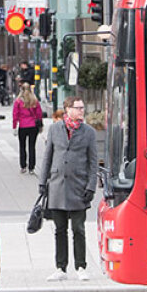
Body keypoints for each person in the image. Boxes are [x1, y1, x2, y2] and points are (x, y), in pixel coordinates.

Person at [38, 96, 98, 281]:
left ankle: (81, 266)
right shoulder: (55, 129)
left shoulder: (88, 132)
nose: (81, 110)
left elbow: (93, 162)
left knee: (78, 229)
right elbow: (47, 156)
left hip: (79, 186)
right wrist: (42, 181)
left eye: (82, 107)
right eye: (78, 108)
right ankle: (61, 268)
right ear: (67, 109)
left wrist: (91, 186)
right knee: (59, 229)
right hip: (57, 185)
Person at [12, 83, 43, 174]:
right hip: (33, 126)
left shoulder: (18, 101)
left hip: (22, 126)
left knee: (22, 146)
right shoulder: (35, 101)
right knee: (32, 146)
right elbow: (39, 114)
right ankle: (31, 167)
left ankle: (23, 166)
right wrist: (41, 125)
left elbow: (15, 115)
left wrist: (14, 126)